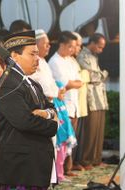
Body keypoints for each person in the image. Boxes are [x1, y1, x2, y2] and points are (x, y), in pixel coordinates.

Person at [0, 31, 58, 189]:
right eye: (32, 54)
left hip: (33, 163)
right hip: (20, 167)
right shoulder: (8, 84)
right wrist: (53, 125)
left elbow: (52, 108)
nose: (38, 59)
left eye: (38, 54)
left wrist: (47, 113)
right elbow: (25, 122)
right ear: (14, 56)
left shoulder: (33, 83)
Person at [29, 29, 76, 183]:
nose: (49, 47)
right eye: (46, 44)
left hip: (51, 106)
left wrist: (57, 91)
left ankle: (52, 177)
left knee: (54, 144)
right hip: (41, 108)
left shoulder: (43, 62)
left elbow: (52, 84)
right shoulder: (33, 62)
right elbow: (41, 85)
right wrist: (57, 92)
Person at [48, 31, 83, 177]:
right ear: (62, 45)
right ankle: (62, 170)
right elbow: (66, 84)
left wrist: (74, 83)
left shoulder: (70, 60)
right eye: (70, 47)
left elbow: (79, 81)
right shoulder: (54, 61)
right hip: (63, 106)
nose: (72, 50)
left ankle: (67, 168)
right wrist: (73, 83)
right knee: (63, 139)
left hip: (73, 104)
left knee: (71, 138)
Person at [76, 33, 108, 168]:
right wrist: (103, 74)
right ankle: (86, 160)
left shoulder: (94, 56)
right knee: (90, 130)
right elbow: (92, 76)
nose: (101, 50)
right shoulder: (82, 55)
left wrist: (100, 75)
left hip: (99, 97)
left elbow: (96, 76)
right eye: (100, 47)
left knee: (99, 130)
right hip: (91, 98)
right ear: (93, 43)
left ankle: (96, 159)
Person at [70, 32, 91, 171]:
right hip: (68, 104)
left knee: (76, 136)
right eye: (77, 45)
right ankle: (69, 166)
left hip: (77, 103)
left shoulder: (73, 61)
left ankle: (72, 164)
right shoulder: (60, 60)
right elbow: (75, 81)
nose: (79, 48)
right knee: (69, 138)